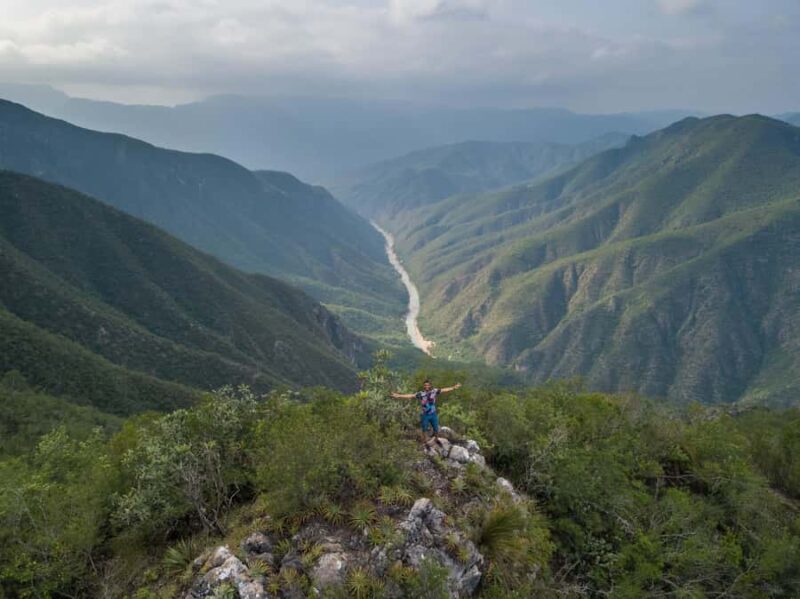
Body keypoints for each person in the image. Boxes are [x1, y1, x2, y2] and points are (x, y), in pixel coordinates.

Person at [391, 380, 462, 445]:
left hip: (433, 414)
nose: (426, 386)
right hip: (425, 415)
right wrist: (399, 396)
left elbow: (444, 390)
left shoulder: (434, 391)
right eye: (425, 385)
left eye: (428, 385)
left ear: (430, 385)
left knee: (436, 429)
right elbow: (411, 395)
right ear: (424, 386)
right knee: (424, 429)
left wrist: (454, 387)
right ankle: (425, 442)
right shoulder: (421, 394)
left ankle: (436, 440)